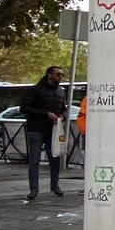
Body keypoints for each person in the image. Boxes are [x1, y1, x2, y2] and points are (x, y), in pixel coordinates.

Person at [20, 65, 67, 200]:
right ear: (49, 75)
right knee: (34, 161)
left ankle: (55, 185)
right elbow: (24, 108)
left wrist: (62, 116)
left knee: (55, 158)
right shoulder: (35, 90)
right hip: (36, 128)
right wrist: (46, 114)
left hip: (53, 130)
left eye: (61, 75)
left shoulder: (61, 92)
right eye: (58, 74)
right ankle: (34, 189)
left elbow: (63, 108)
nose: (60, 77)